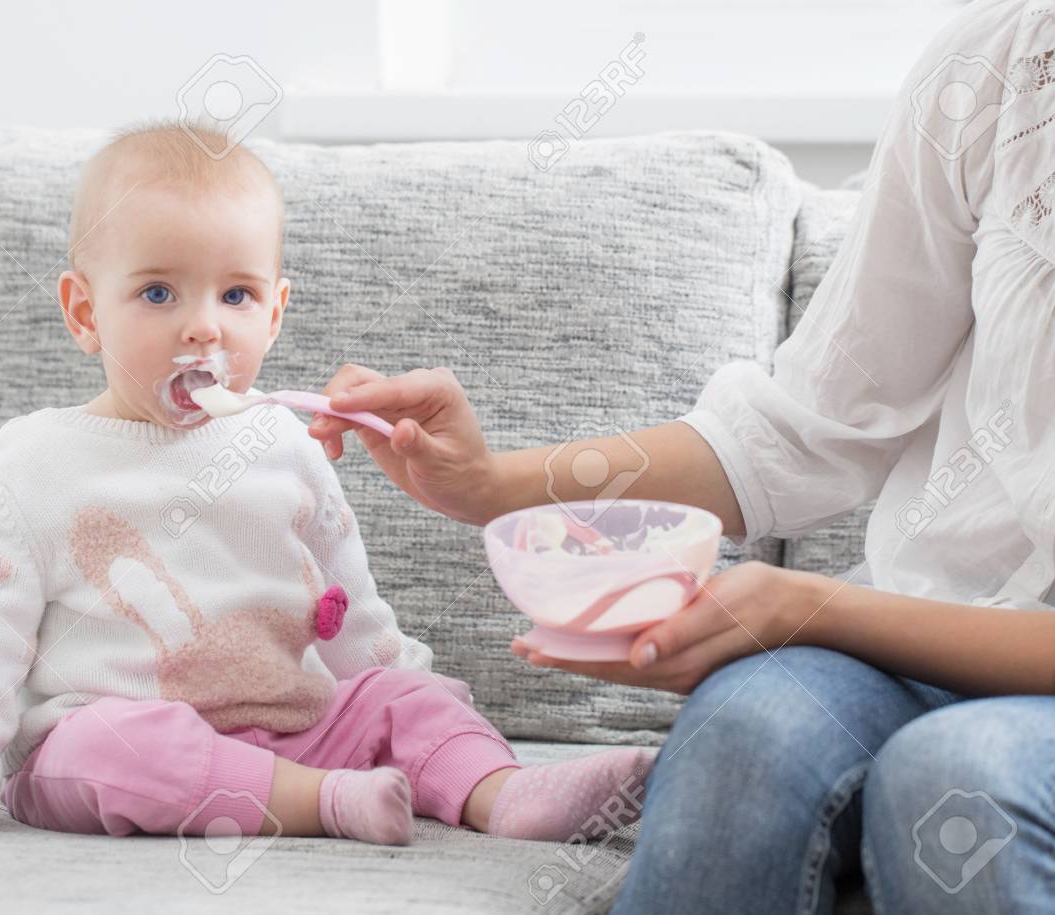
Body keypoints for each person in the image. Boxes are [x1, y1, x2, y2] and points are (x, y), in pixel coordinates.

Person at [308, 0, 1055, 909]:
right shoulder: (1004, 65)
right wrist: (489, 485)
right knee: (743, 743)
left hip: (974, 675)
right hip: (908, 640)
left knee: (955, 776)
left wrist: (810, 606)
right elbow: (802, 428)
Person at [0, 120, 654, 846]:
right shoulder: (34, 461)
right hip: (116, 733)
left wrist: (405, 699)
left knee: (403, 697)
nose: (205, 328)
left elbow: (352, 608)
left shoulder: (286, 444)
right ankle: (323, 803)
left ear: (276, 313)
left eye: (236, 296)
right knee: (102, 746)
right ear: (85, 313)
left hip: (299, 726)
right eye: (159, 293)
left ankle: (501, 791)